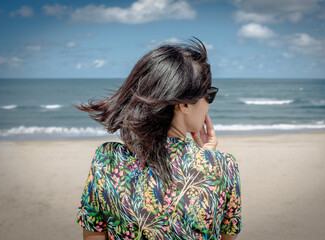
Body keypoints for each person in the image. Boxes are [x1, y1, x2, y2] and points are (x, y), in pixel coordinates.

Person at [74, 37, 241, 240]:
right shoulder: (224, 167)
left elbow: (93, 234)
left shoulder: (107, 159)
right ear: (185, 104)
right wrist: (207, 160)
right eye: (209, 95)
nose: (208, 104)